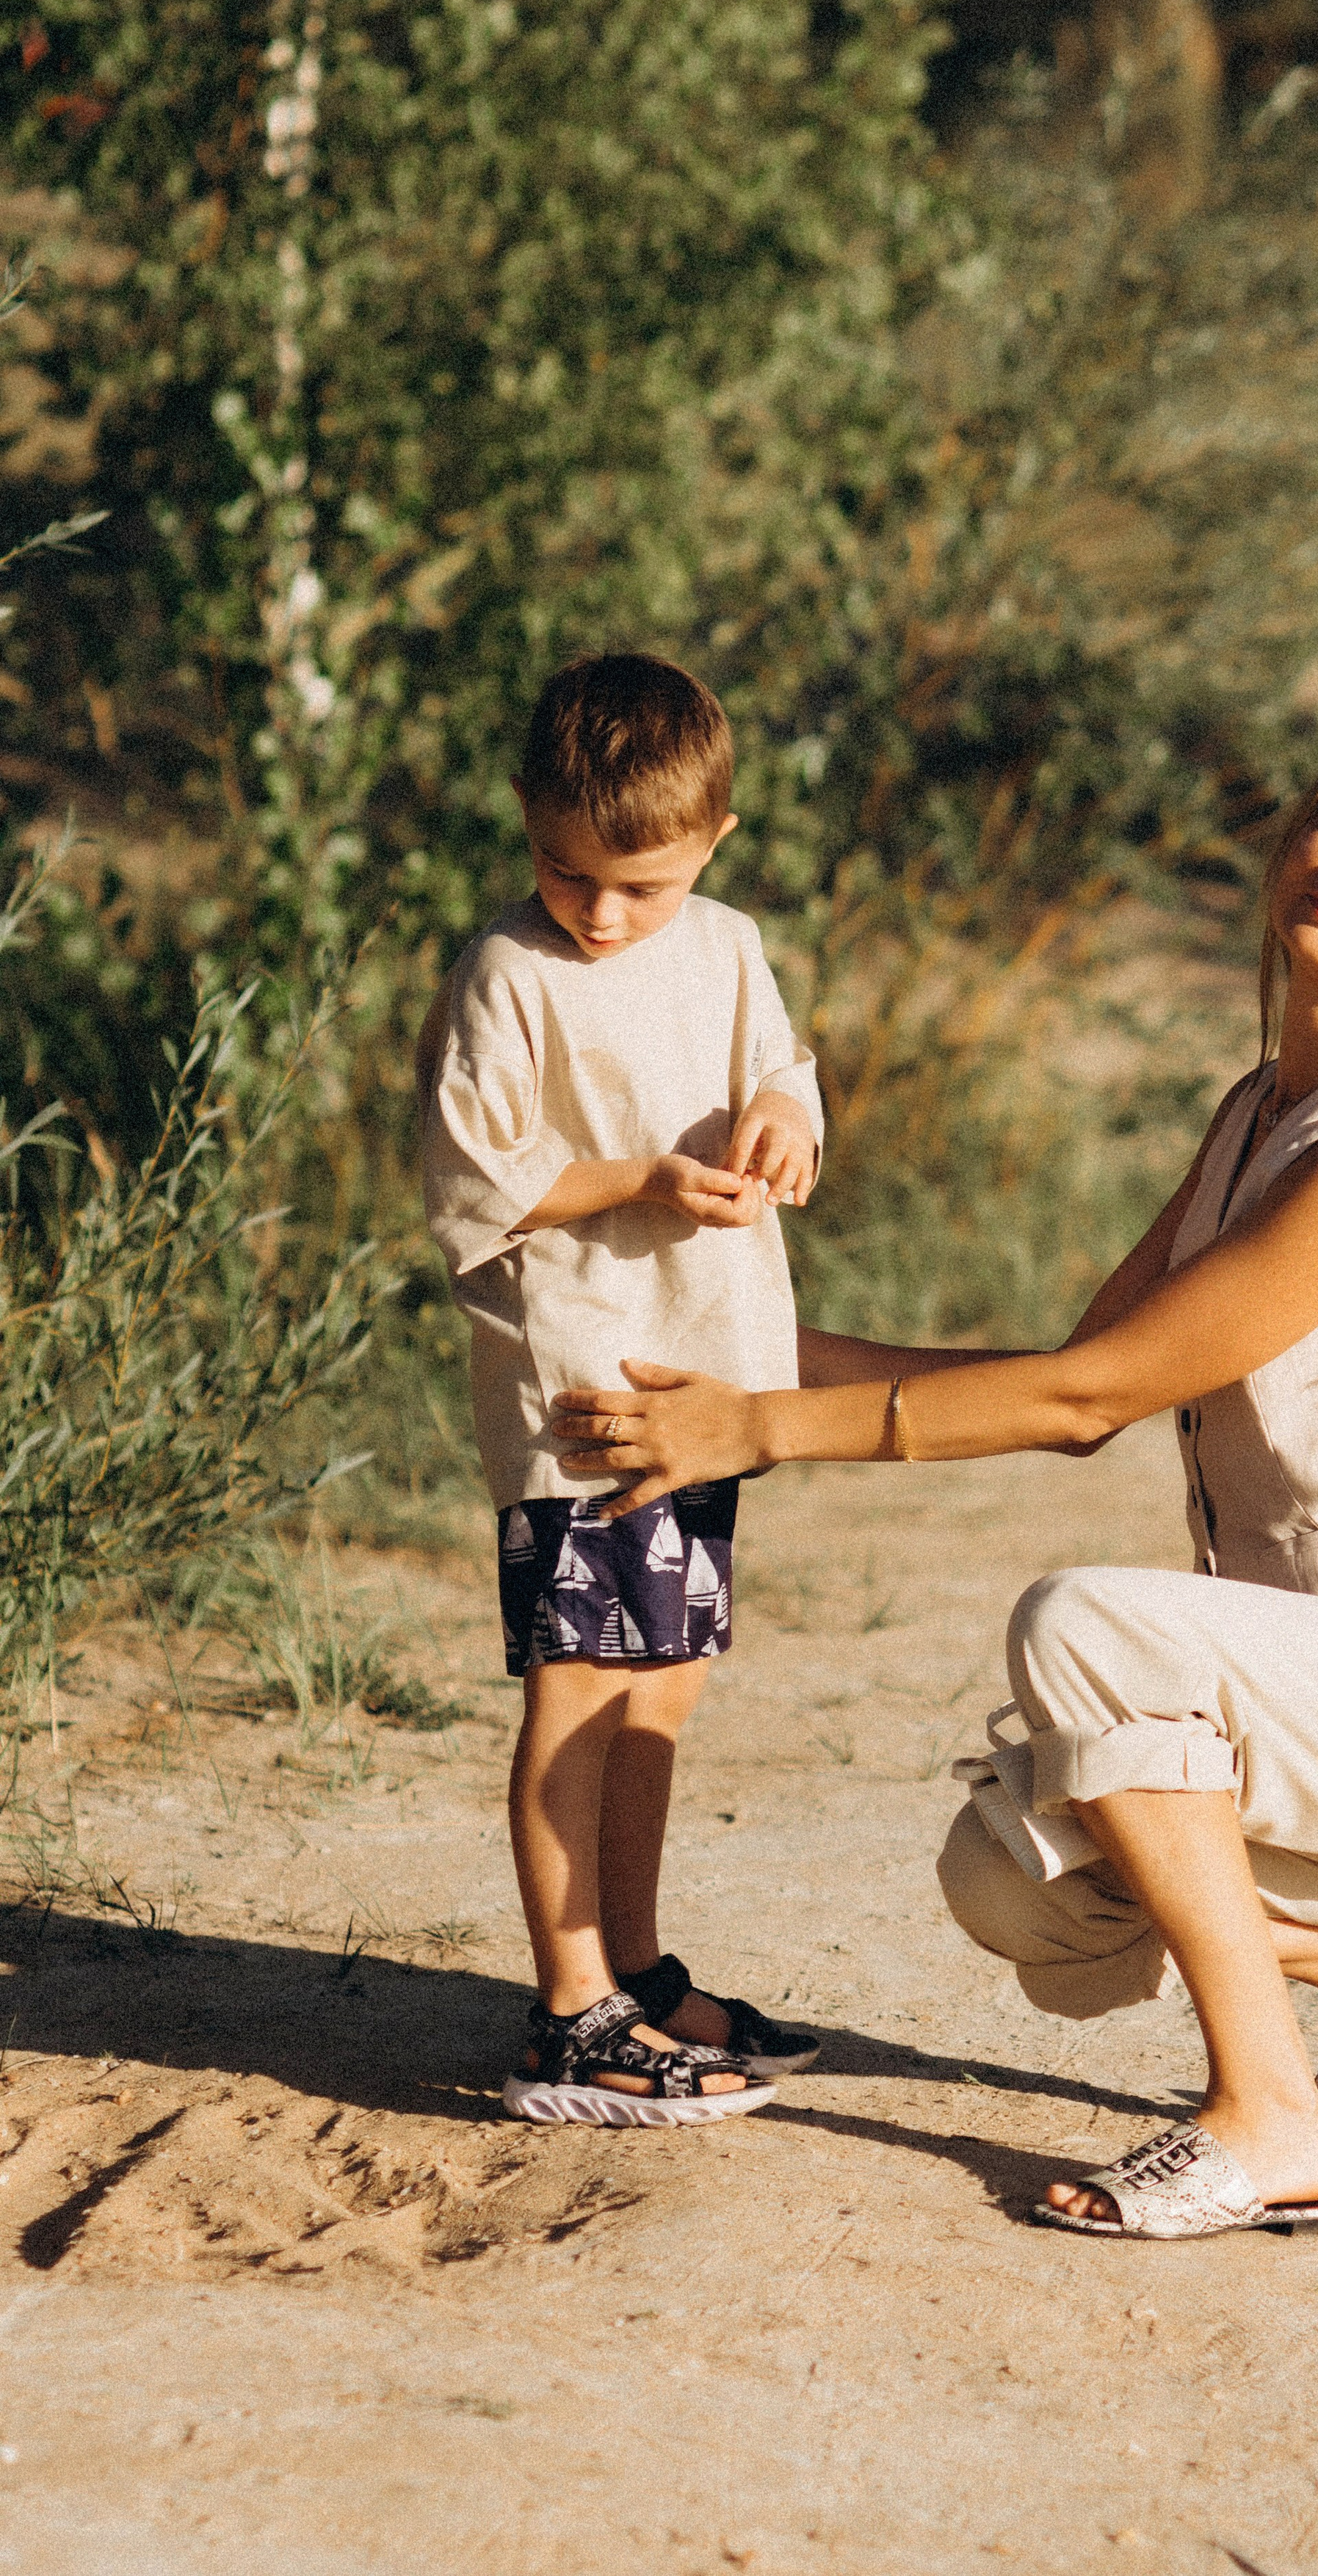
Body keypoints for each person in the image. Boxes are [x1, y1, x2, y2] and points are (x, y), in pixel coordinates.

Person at [548, 722, 1318, 2238]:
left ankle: (1270, 2122)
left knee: (1083, 1630)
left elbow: (1094, 1397)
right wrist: (728, 1350)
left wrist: (759, 1432)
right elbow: (1069, 1371)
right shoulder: (1257, 1114)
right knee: (1017, 1889)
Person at [418, 650, 825, 2127]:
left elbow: (782, 1069)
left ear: (713, 839)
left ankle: (638, 1976)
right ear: (526, 824)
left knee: (664, 1683)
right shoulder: (507, 977)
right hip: (580, 1388)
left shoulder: (721, 946)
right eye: (561, 868)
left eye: (635, 885)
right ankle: (568, 2014)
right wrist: (640, 1180)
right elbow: (475, 1180)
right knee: (582, 1687)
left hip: (702, 1373)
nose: (596, 912)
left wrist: (781, 1118)